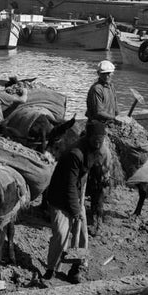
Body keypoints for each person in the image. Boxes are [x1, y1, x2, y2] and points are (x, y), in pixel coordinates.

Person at [42, 122, 104, 284]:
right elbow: (69, 185)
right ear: (88, 137)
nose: (98, 142)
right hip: (59, 198)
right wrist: (76, 212)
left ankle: (75, 268)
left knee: (82, 234)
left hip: (76, 195)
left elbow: (87, 172)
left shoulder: (95, 149)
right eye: (96, 139)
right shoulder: (75, 154)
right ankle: (51, 269)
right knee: (61, 235)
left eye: (101, 139)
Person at [86, 60, 119, 141]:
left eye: (108, 73)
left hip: (110, 123)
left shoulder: (111, 86)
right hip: (97, 125)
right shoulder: (97, 89)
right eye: (104, 74)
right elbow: (99, 112)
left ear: (112, 73)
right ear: (98, 74)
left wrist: (119, 117)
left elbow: (116, 107)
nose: (107, 76)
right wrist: (114, 118)